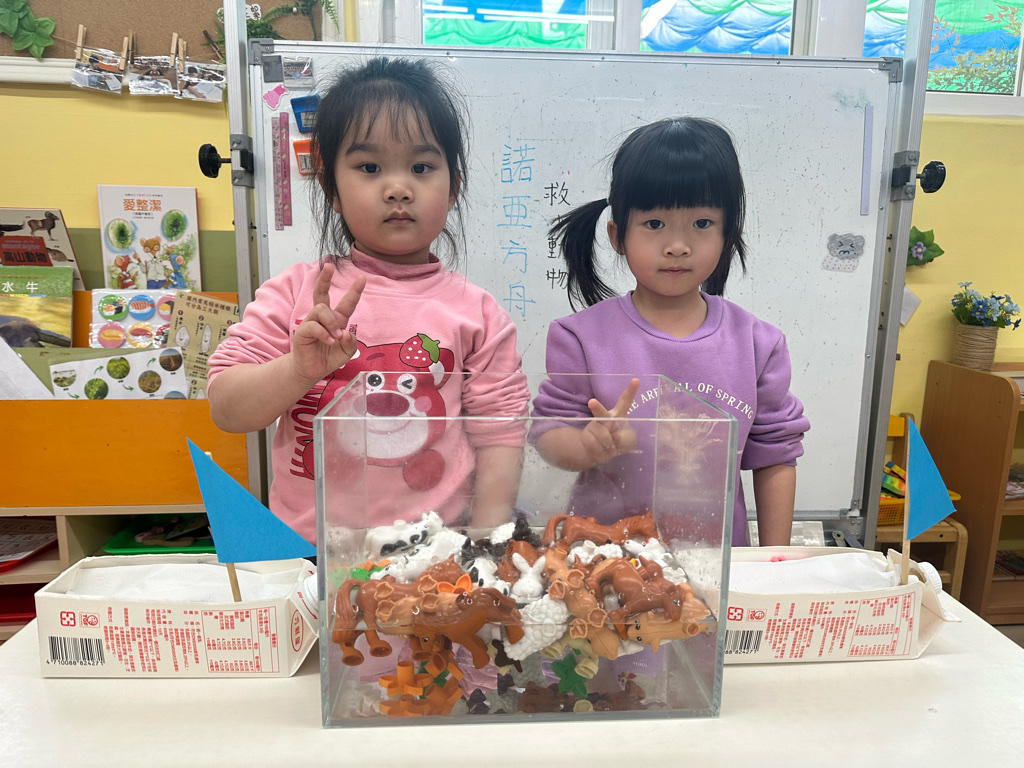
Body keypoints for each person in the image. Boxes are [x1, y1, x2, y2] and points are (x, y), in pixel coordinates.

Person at [208, 57, 529, 543]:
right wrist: (298, 370)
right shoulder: (294, 293)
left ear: (454, 188)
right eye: (369, 167)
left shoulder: (479, 314)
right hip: (310, 554)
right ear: (332, 190)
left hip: (433, 557)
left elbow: (500, 436)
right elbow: (228, 410)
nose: (398, 188)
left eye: (421, 167)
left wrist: (483, 544)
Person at [531, 117, 809, 547]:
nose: (678, 246)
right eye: (655, 224)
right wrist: (587, 446)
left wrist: (774, 563)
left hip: (716, 564)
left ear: (728, 233)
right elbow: (548, 435)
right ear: (617, 235)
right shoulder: (580, 338)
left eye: (702, 223)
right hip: (602, 557)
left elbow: (776, 456)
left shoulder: (758, 344)